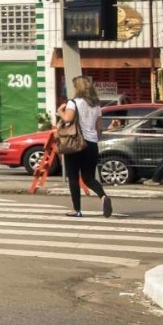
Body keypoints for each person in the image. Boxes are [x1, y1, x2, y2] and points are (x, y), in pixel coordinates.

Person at [54, 76, 112, 218]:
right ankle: (103, 196)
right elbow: (99, 128)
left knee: (73, 176)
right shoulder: (96, 105)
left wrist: (59, 111)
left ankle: (77, 209)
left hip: (76, 144)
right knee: (89, 177)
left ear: (77, 88)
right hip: (91, 144)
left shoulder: (73, 103)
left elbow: (67, 119)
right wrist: (94, 139)